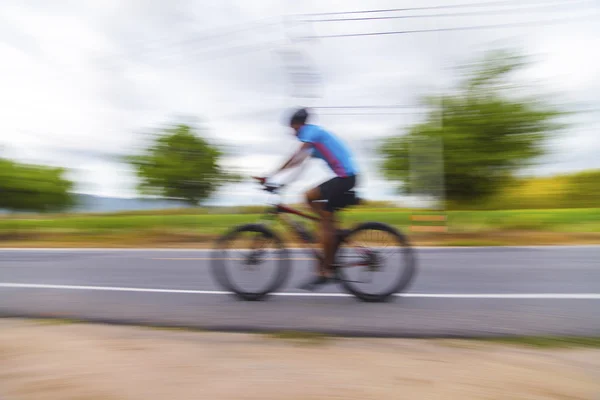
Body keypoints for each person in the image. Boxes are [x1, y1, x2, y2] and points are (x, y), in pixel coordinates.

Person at [258, 108, 359, 291]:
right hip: (345, 178)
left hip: (345, 178)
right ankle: (330, 231)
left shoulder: (310, 131)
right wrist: (281, 183)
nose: (293, 132)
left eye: (293, 128)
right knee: (309, 196)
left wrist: (272, 176)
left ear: (298, 124)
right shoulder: (313, 139)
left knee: (325, 224)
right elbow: (300, 165)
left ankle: (325, 271)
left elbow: (296, 157)